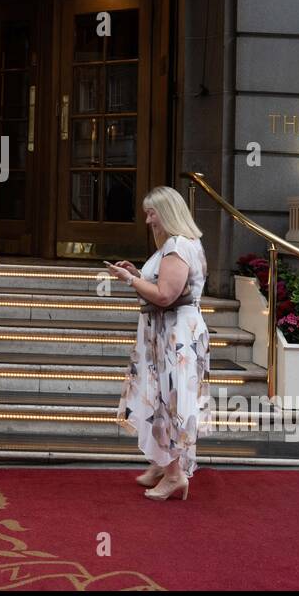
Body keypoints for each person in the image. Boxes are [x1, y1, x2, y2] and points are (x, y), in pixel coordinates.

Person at [108, 186, 212, 501]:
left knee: (172, 402)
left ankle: (175, 475)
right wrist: (139, 274)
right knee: (162, 398)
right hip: (170, 334)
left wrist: (129, 280)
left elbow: (165, 296)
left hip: (175, 338)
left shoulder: (178, 245)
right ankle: (162, 463)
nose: (148, 220)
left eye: (152, 213)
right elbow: (167, 286)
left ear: (167, 212)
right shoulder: (179, 244)